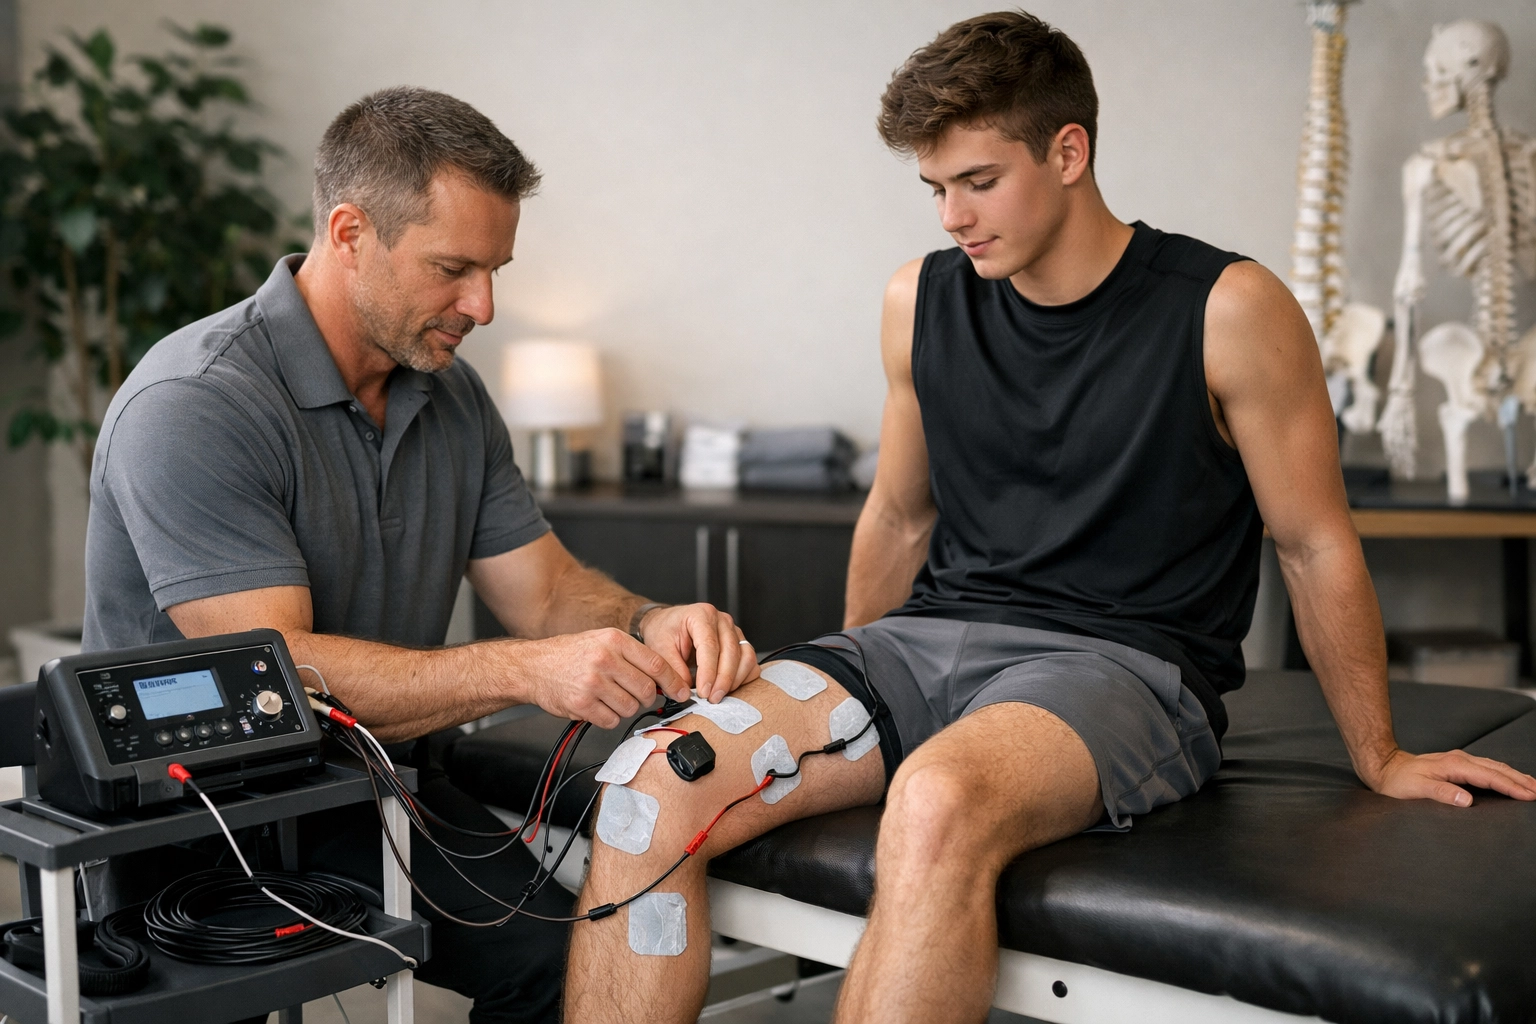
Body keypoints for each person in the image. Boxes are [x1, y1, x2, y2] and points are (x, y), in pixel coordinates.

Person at [563, 12, 1536, 1024]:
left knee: (936, 800)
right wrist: (852, 682)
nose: (951, 216)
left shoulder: (1229, 308)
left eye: (978, 182)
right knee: (646, 780)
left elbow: (1312, 538)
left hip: (1122, 670)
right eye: (935, 188)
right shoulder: (919, 299)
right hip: (921, 648)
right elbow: (898, 517)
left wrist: (1378, 754)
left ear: (1069, 152)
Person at [82, 87, 755, 1024]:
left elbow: (549, 591)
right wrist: (528, 672)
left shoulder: (453, 397)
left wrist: (648, 621)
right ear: (350, 231)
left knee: (580, 974)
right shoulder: (196, 403)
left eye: (494, 268)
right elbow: (277, 670)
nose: (482, 303)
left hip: (372, 790)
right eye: (453, 268)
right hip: (192, 821)